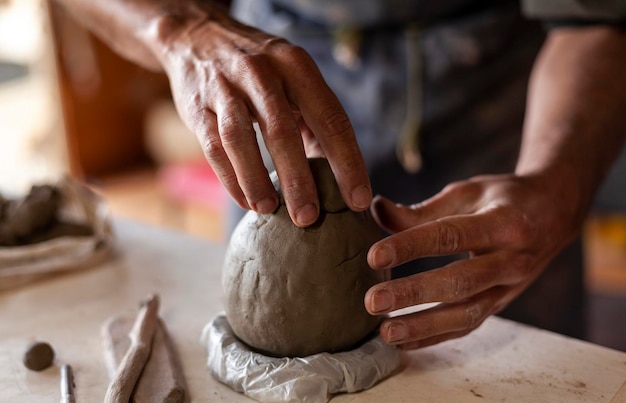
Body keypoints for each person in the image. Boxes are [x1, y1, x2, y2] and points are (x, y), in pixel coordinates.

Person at [55, 0, 626, 349]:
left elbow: (596, 18)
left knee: (517, 368)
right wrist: (180, 33)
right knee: (276, 300)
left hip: (503, 108)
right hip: (274, 95)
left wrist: (558, 180)